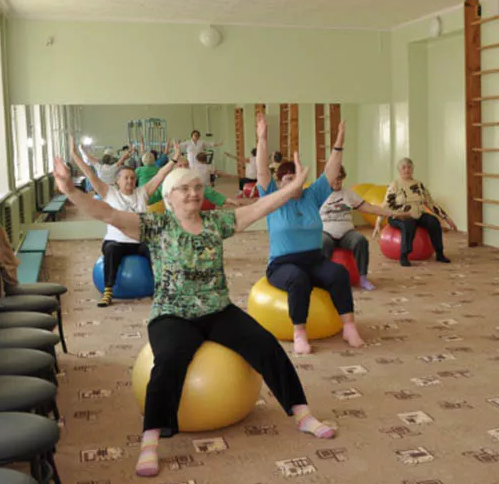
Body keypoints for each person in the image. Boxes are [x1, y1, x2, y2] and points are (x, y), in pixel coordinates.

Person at [52, 150, 336, 479]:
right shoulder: (156, 225)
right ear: (169, 198)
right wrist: (71, 191)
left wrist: (293, 187)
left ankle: (302, 414)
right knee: (169, 361)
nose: (193, 193)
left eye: (197, 188)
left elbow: (259, 208)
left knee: (266, 344)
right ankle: (151, 440)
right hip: (172, 313)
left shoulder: (217, 223)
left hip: (217, 309)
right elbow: (108, 214)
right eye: (184, 189)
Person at [256, 115, 364, 355]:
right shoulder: (272, 199)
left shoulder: (311, 196)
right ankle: (300, 334)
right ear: (278, 183)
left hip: (314, 259)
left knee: (338, 273)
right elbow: (262, 170)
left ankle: (349, 326)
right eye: (287, 179)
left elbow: (331, 171)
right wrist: (262, 139)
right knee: (298, 279)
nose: (293, 182)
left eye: (296, 177)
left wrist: (339, 142)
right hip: (282, 265)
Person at [70, 138, 179, 307]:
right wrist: (74, 154)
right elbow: (90, 174)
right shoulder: (110, 193)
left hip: (139, 240)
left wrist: (174, 159)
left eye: (133, 178)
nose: (130, 181)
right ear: (118, 181)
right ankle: (108, 291)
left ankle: (161, 289)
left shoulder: (143, 193)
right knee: (112, 250)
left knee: (156, 249)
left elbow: (160, 175)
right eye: (126, 178)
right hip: (116, 241)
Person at [320, 166, 409, 290]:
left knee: (360, 240)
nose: (337, 181)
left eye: (340, 178)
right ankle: (324, 279)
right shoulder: (319, 195)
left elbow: (370, 208)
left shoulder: (349, 194)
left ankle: (363, 279)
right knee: (323, 243)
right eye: (335, 178)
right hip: (326, 232)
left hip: (347, 233)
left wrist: (394, 213)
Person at [374, 158, 457, 266]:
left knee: (433, 221)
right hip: (398, 215)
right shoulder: (395, 184)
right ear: (399, 170)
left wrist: (447, 219)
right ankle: (404, 255)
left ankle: (440, 253)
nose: (407, 170)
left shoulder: (419, 184)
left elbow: (431, 203)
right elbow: (385, 204)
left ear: (412, 169)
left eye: (409, 167)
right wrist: (378, 223)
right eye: (404, 167)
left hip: (417, 214)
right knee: (408, 224)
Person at [147, 157, 243, 209]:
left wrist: (227, 200)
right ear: (174, 167)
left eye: (186, 165)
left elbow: (208, 191)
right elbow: (154, 195)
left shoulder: (192, 180)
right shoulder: (168, 182)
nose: (183, 167)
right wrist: (138, 201)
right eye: (180, 165)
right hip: (174, 215)